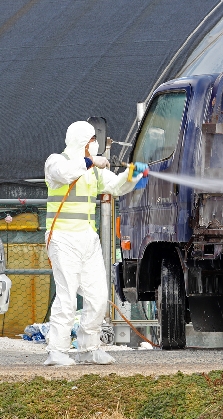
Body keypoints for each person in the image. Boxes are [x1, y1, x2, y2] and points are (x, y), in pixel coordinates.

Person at [43, 121, 148, 366]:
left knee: (98, 296)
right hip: (62, 238)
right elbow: (65, 174)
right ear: (82, 141)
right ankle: (56, 351)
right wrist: (91, 162)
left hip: (87, 239)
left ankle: (89, 348)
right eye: (92, 139)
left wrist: (131, 176)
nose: (96, 144)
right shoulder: (55, 161)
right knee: (67, 297)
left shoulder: (93, 170)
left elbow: (114, 186)